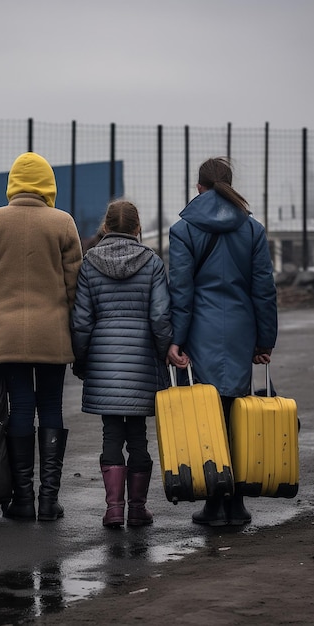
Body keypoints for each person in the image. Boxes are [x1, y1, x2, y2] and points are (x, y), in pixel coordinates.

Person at [0, 151, 83, 522]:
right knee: (50, 408)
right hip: (53, 338)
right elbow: (76, 289)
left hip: (4, 338)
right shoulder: (63, 223)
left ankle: (23, 500)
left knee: (19, 408)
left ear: (13, 184)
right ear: (49, 186)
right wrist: (79, 343)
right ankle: (49, 501)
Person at [167, 157, 277, 527]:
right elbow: (264, 290)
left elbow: (181, 290)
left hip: (202, 329)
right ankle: (238, 504)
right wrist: (265, 339)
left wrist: (176, 340)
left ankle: (214, 504)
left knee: (210, 414)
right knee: (239, 411)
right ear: (229, 185)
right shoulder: (252, 230)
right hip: (242, 330)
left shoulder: (184, 230)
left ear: (198, 187)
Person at [71, 199, 172, 528]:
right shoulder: (153, 263)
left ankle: (114, 509)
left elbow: (82, 322)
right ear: (137, 228)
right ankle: (138, 509)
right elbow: (159, 318)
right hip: (142, 361)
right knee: (139, 437)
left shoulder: (89, 263)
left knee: (111, 435)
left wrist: (82, 360)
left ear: (106, 227)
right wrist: (161, 354)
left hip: (103, 361)